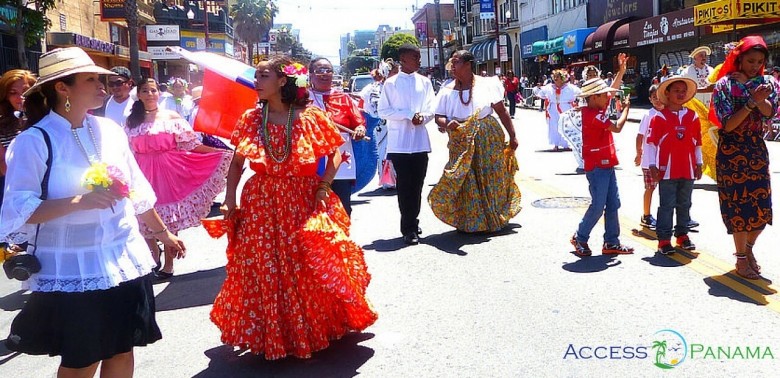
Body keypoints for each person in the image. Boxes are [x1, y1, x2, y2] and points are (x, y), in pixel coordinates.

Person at [0, 47, 185, 377]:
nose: (104, 86)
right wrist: (79, 202)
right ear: (62, 87)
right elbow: (17, 210)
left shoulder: (110, 130)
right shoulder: (35, 140)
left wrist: (162, 233)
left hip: (123, 257)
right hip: (73, 266)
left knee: (121, 350)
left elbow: (136, 189)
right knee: (82, 360)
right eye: (92, 79)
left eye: (103, 79)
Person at [211, 55, 377, 359]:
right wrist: (230, 197)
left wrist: (324, 187)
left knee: (303, 265)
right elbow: (237, 163)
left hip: (302, 198)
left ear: (282, 81)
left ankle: (311, 328)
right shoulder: (250, 118)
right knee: (266, 266)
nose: (256, 82)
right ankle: (276, 333)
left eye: (263, 76)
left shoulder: (311, 117)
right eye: (257, 76)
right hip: (261, 201)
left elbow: (336, 155)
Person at [124, 78, 232, 278]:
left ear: (159, 93)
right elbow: (126, 150)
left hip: (167, 170)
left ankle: (169, 263)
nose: (149, 94)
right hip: (141, 170)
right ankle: (153, 256)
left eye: (153, 90)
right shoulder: (132, 121)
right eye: (145, 91)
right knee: (141, 214)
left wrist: (219, 152)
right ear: (138, 95)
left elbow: (191, 144)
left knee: (167, 217)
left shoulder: (171, 117)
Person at [429, 50, 521, 233]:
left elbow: (502, 111)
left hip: (487, 136)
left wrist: (512, 135)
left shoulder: (486, 85)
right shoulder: (447, 89)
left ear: (468, 64)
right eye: (452, 63)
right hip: (460, 139)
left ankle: (493, 217)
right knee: (465, 179)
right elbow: (438, 116)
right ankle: (470, 220)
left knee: (490, 177)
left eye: (456, 62)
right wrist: (447, 124)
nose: (452, 67)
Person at [711, 35, 779, 280]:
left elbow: (770, 113)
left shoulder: (768, 83)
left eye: (759, 61)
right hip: (731, 152)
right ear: (739, 59)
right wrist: (751, 102)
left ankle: (748, 249)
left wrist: (753, 91)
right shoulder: (724, 85)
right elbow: (728, 125)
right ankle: (741, 258)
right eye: (750, 61)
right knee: (739, 206)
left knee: (761, 209)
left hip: (756, 150)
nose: (754, 66)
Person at [377, 44, 435, 245]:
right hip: (400, 144)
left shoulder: (425, 82)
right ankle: (407, 227)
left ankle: (413, 220)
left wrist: (423, 117)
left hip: (419, 143)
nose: (419, 60)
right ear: (403, 59)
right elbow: (383, 111)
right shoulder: (391, 84)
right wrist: (408, 115)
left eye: (419, 56)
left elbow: (431, 107)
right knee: (404, 187)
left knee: (417, 186)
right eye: (415, 56)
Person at [570, 78, 634, 256]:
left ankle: (611, 242)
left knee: (613, 203)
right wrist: (626, 109)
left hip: (607, 163)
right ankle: (580, 236)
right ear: (593, 97)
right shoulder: (594, 115)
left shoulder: (596, 108)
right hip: (598, 166)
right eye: (604, 95)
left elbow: (612, 90)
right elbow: (617, 127)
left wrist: (621, 71)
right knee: (598, 205)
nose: (608, 97)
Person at [646, 76, 702, 255]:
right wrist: (652, 165)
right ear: (667, 94)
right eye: (676, 90)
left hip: (688, 169)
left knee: (685, 203)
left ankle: (682, 235)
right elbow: (651, 144)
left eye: (683, 91)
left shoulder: (693, 117)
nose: (680, 94)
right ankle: (663, 239)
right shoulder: (659, 117)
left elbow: (697, 143)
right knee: (667, 205)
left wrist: (699, 163)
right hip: (666, 171)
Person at [308, 57, 367, 216]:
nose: (325, 74)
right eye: (320, 70)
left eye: (328, 70)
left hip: (340, 163)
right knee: (313, 210)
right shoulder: (301, 99)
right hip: (312, 163)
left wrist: (360, 129)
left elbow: (359, 123)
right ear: (310, 75)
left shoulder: (344, 98)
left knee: (342, 209)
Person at [0, 69, 36, 206]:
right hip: (13, 193)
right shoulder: (2, 126)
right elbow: (4, 166)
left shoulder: (46, 119)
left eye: (26, 91)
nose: (21, 97)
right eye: (13, 93)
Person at [634, 84, 663, 230]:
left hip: (664, 160)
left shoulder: (668, 113)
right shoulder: (648, 115)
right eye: (654, 98)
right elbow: (640, 136)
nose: (657, 100)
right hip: (649, 161)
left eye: (659, 97)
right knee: (650, 188)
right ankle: (646, 215)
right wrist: (639, 153)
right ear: (650, 99)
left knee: (666, 190)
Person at [540, 69, 580, 151]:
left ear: (562, 78)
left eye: (557, 77)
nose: (555, 79)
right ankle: (556, 144)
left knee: (567, 125)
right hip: (553, 109)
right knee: (554, 126)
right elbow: (541, 94)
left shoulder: (570, 88)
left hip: (566, 108)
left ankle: (567, 144)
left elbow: (579, 93)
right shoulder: (549, 88)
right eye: (554, 77)